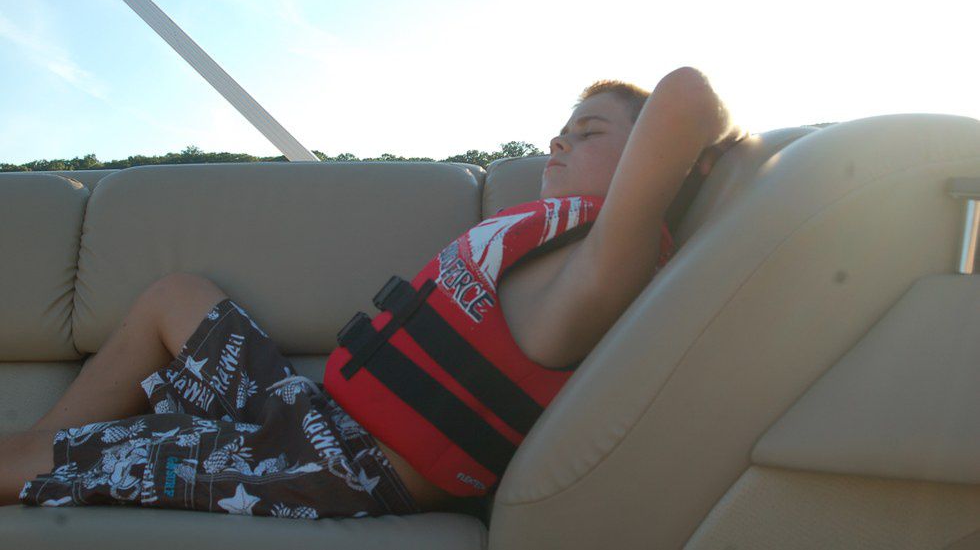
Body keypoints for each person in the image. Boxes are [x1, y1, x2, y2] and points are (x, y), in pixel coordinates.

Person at [0, 66, 746, 520]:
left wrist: (706, 149)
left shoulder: (605, 264)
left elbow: (686, 95)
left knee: (19, 461)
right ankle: (45, 451)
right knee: (177, 295)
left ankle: (35, 462)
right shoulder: (555, 239)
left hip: (346, 471)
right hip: (319, 421)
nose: (558, 142)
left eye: (588, 131)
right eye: (561, 130)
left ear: (661, 158)